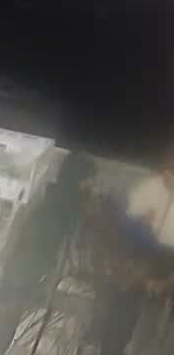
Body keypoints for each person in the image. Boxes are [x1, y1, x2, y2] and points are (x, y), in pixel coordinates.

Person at [0, 151, 95, 355]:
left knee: (1, 330)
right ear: (79, 178)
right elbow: (50, 243)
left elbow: (27, 230)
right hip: (24, 270)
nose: (91, 186)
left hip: (24, 269)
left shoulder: (54, 197)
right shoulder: (63, 206)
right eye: (88, 180)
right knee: (1, 329)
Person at [90, 142, 174, 355]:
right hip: (141, 264)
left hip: (156, 266)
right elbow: (124, 227)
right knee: (125, 318)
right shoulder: (148, 188)